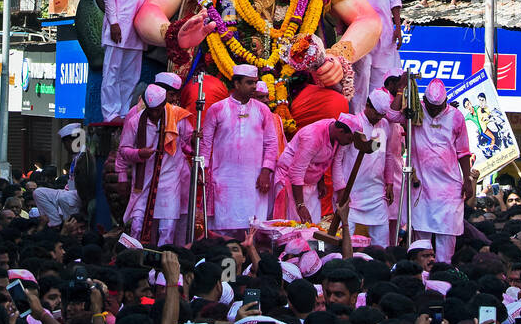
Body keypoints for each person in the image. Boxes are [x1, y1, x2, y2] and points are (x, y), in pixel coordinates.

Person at [201, 65, 277, 236]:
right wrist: (203, 170)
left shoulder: (263, 110)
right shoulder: (217, 109)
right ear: (236, 83)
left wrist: (266, 171)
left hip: (254, 180)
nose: (253, 87)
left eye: (255, 83)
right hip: (225, 179)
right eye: (249, 83)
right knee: (223, 230)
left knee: (252, 228)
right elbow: (205, 143)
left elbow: (271, 143)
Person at [100, 0, 159, 123]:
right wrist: (113, 23)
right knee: (112, 71)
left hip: (136, 27)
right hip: (119, 26)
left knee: (131, 74)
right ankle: (110, 114)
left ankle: (124, 112)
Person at [117, 84, 191, 244]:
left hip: (170, 180)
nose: (155, 114)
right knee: (136, 226)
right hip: (143, 181)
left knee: (167, 228)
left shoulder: (177, 117)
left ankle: (163, 265)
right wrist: (139, 154)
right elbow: (123, 150)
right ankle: (134, 262)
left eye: (158, 109)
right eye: (152, 110)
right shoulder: (135, 121)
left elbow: (186, 142)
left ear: (164, 104)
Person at [410, 78, 473, 262]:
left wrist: (467, 180)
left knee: (447, 236)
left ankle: (443, 274)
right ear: (424, 100)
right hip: (421, 185)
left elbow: (463, 152)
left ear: (445, 101)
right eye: (431, 107)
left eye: (438, 107)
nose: (434, 111)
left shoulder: (456, 116)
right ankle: (421, 276)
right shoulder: (415, 111)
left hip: (448, 187)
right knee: (421, 237)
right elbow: (392, 114)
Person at [333, 89, 401, 245]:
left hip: (376, 192)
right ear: (368, 106)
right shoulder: (353, 123)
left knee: (382, 241)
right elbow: (337, 160)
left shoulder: (384, 124)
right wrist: (341, 189)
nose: (379, 118)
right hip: (352, 192)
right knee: (345, 240)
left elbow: (389, 155)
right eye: (377, 114)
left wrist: (389, 182)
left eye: (382, 115)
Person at [273, 115, 355, 224]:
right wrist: (300, 205)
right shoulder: (312, 136)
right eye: (349, 139)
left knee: (312, 227)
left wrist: (324, 182)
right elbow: (296, 171)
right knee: (292, 227)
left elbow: (334, 162)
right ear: (340, 131)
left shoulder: (337, 135)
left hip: (309, 183)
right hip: (290, 181)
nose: (350, 143)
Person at [33, 122, 84, 226]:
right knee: (38, 192)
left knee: (64, 198)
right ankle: (55, 223)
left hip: (80, 194)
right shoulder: (76, 157)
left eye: (66, 144)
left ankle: (70, 226)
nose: (65, 148)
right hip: (68, 192)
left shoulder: (85, 156)